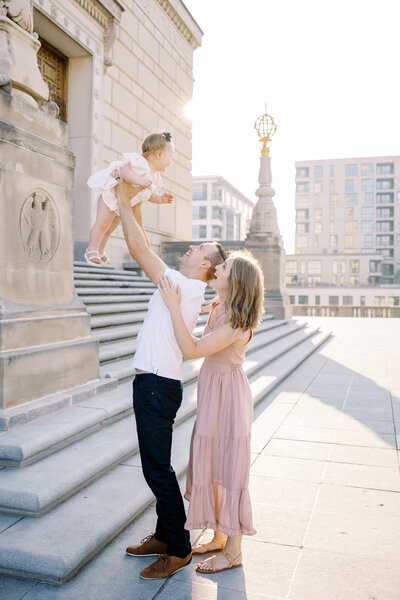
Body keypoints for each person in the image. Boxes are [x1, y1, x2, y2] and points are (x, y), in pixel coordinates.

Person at [115, 178, 226, 580]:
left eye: (200, 248)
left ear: (205, 266)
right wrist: (138, 201)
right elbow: (142, 242)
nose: (192, 246)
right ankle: (164, 536)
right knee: (156, 466)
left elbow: (140, 249)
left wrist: (124, 203)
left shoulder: (184, 284)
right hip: (154, 383)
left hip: (157, 385)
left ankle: (178, 547)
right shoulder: (185, 284)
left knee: (156, 469)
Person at [158, 249, 264, 574]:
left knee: (230, 468)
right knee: (215, 460)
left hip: (228, 398)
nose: (218, 267)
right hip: (214, 392)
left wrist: (174, 307)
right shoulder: (220, 306)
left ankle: (234, 550)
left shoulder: (237, 324)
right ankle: (220, 536)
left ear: (237, 282)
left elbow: (192, 350)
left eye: (225, 266)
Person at [84, 132, 174, 266]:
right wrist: (139, 180)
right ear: (159, 154)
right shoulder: (140, 163)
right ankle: (92, 249)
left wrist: (160, 198)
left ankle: (101, 250)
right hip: (111, 196)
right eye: (171, 156)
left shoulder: (156, 178)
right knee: (102, 224)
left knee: (110, 228)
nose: (171, 161)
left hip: (124, 204)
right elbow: (124, 171)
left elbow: (149, 195)